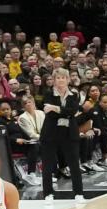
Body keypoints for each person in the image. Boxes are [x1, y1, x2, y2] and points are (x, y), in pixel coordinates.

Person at [41, 68, 85, 201]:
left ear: (68, 80)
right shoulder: (48, 93)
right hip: (50, 133)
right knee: (48, 165)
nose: (61, 80)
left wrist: (56, 108)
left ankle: (78, 193)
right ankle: (48, 193)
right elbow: (51, 114)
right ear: (54, 81)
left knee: (74, 165)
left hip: (69, 133)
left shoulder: (74, 95)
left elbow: (73, 111)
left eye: (63, 78)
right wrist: (63, 111)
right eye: (58, 78)